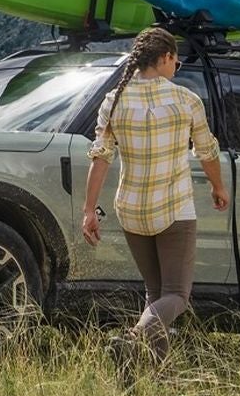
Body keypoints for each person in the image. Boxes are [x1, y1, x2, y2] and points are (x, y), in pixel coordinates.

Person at [82, 27, 230, 366]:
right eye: (175, 63)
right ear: (164, 58)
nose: (175, 69)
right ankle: (132, 339)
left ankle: (145, 375)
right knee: (177, 295)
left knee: (155, 294)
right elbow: (206, 151)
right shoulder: (185, 99)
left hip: (131, 210)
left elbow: (101, 157)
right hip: (174, 208)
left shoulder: (113, 101)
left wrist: (89, 210)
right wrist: (218, 186)